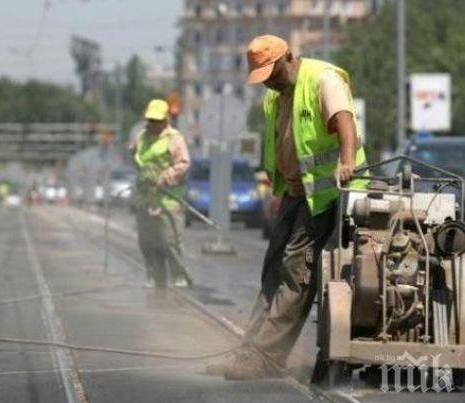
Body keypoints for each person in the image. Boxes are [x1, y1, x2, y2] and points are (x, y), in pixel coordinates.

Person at [207, 34, 368, 380]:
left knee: (296, 271)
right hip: (297, 192)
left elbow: (344, 120)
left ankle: (266, 357)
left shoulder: (322, 79)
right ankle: (250, 349)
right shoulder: (275, 95)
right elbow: (280, 140)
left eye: (273, 73)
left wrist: (347, 160)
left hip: (327, 195)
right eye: (263, 77)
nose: (270, 82)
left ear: (288, 58)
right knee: (273, 268)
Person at [131, 99, 193, 288]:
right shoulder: (141, 137)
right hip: (145, 197)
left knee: (169, 240)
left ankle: (179, 275)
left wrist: (164, 176)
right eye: (150, 120)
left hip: (168, 198)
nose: (153, 124)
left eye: (157, 120)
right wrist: (144, 175)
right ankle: (154, 275)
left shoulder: (174, 138)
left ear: (165, 120)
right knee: (147, 240)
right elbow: (135, 157)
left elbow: (183, 164)